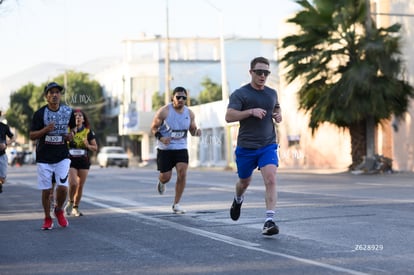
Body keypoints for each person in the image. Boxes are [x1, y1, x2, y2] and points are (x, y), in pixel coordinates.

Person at [225, 56, 282, 236]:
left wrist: (278, 115)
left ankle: (269, 220)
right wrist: (250, 111)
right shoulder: (240, 94)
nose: (262, 76)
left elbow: (277, 107)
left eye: (266, 72)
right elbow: (229, 116)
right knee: (244, 182)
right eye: (259, 72)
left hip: (267, 145)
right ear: (251, 72)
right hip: (246, 147)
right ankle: (238, 198)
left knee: (271, 179)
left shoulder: (272, 93)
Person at [29, 82, 76, 230]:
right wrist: (45, 130)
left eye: (57, 92)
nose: (55, 95)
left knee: (62, 187)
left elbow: (73, 128)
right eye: (51, 93)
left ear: (60, 95)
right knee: (47, 189)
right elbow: (31, 135)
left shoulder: (68, 112)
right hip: (44, 157)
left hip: (62, 155)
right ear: (46, 96)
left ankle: (59, 209)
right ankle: (47, 218)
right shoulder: (40, 114)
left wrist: (71, 135)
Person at [150, 86, 201, 214]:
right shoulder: (164, 112)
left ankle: (176, 204)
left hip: (181, 147)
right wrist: (161, 138)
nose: (181, 100)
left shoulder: (189, 113)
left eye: (184, 97)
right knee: (166, 176)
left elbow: (192, 129)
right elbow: (153, 128)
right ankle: (162, 182)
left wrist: (196, 132)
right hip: (165, 149)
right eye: (178, 97)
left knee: (182, 173)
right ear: (173, 98)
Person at [64, 109, 98, 217]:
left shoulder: (88, 132)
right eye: (75, 116)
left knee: (80, 186)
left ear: (83, 119)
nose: (77, 117)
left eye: (80, 116)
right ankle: (70, 201)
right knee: (73, 183)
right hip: (70, 160)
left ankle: (75, 208)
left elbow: (95, 148)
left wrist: (87, 145)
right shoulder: (67, 130)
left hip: (83, 161)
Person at [0, 110, 16, 193]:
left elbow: (13, 138)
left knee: (2, 178)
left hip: (2, 155)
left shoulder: (4, 126)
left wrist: (5, 143)